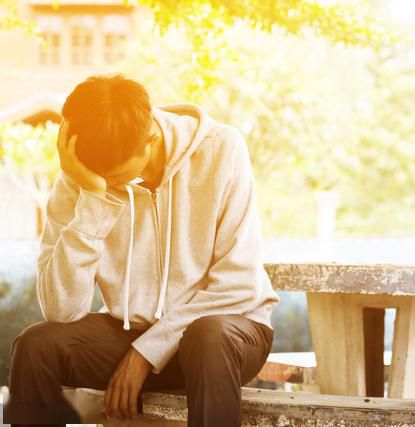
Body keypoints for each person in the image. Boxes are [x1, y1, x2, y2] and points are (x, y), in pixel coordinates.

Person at [4, 74, 280, 426]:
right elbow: (61, 309)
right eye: (100, 178)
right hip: (132, 332)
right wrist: (92, 198)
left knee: (208, 337)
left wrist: (145, 354)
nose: (108, 183)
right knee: (36, 346)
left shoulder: (221, 149)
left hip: (228, 335)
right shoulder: (83, 177)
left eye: (115, 177)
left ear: (151, 136)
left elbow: (238, 285)